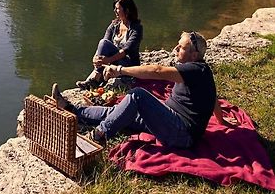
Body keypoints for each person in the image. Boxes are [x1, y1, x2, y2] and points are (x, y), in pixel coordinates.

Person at [53, 31, 225, 148]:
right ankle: (71, 109)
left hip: (181, 133)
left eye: (181, 47)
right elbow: (212, 95)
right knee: (118, 111)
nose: (176, 49)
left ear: (194, 55)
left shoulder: (196, 69)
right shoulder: (199, 72)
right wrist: (222, 120)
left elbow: (158, 71)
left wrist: (119, 70)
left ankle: (99, 136)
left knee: (137, 96)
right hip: (168, 120)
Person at [76, 0, 143, 89]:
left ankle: (95, 78)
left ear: (127, 10)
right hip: (113, 61)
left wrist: (108, 60)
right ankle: (95, 77)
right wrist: (96, 58)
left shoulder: (136, 28)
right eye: (114, 8)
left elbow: (126, 50)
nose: (115, 11)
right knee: (103, 42)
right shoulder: (114, 25)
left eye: (118, 9)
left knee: (104, 45)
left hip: (128, 65)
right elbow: (103, 44)